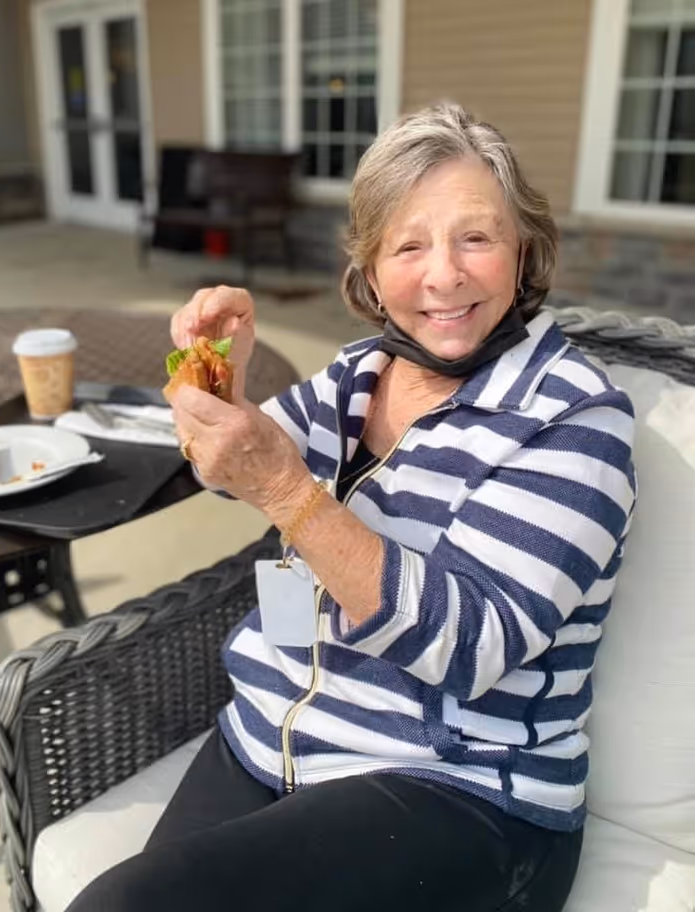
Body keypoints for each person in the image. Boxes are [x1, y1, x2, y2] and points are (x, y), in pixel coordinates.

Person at [68, 103, 636, 912]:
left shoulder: (575, 420)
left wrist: (288, 493)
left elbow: (469, 643)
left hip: (461, 789)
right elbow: (226, 469)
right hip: (270, 739)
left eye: (475, 236)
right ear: (370, 273)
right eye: (408, 245)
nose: (443, 275)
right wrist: (219, 379)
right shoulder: (359, 372)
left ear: (524, 250)